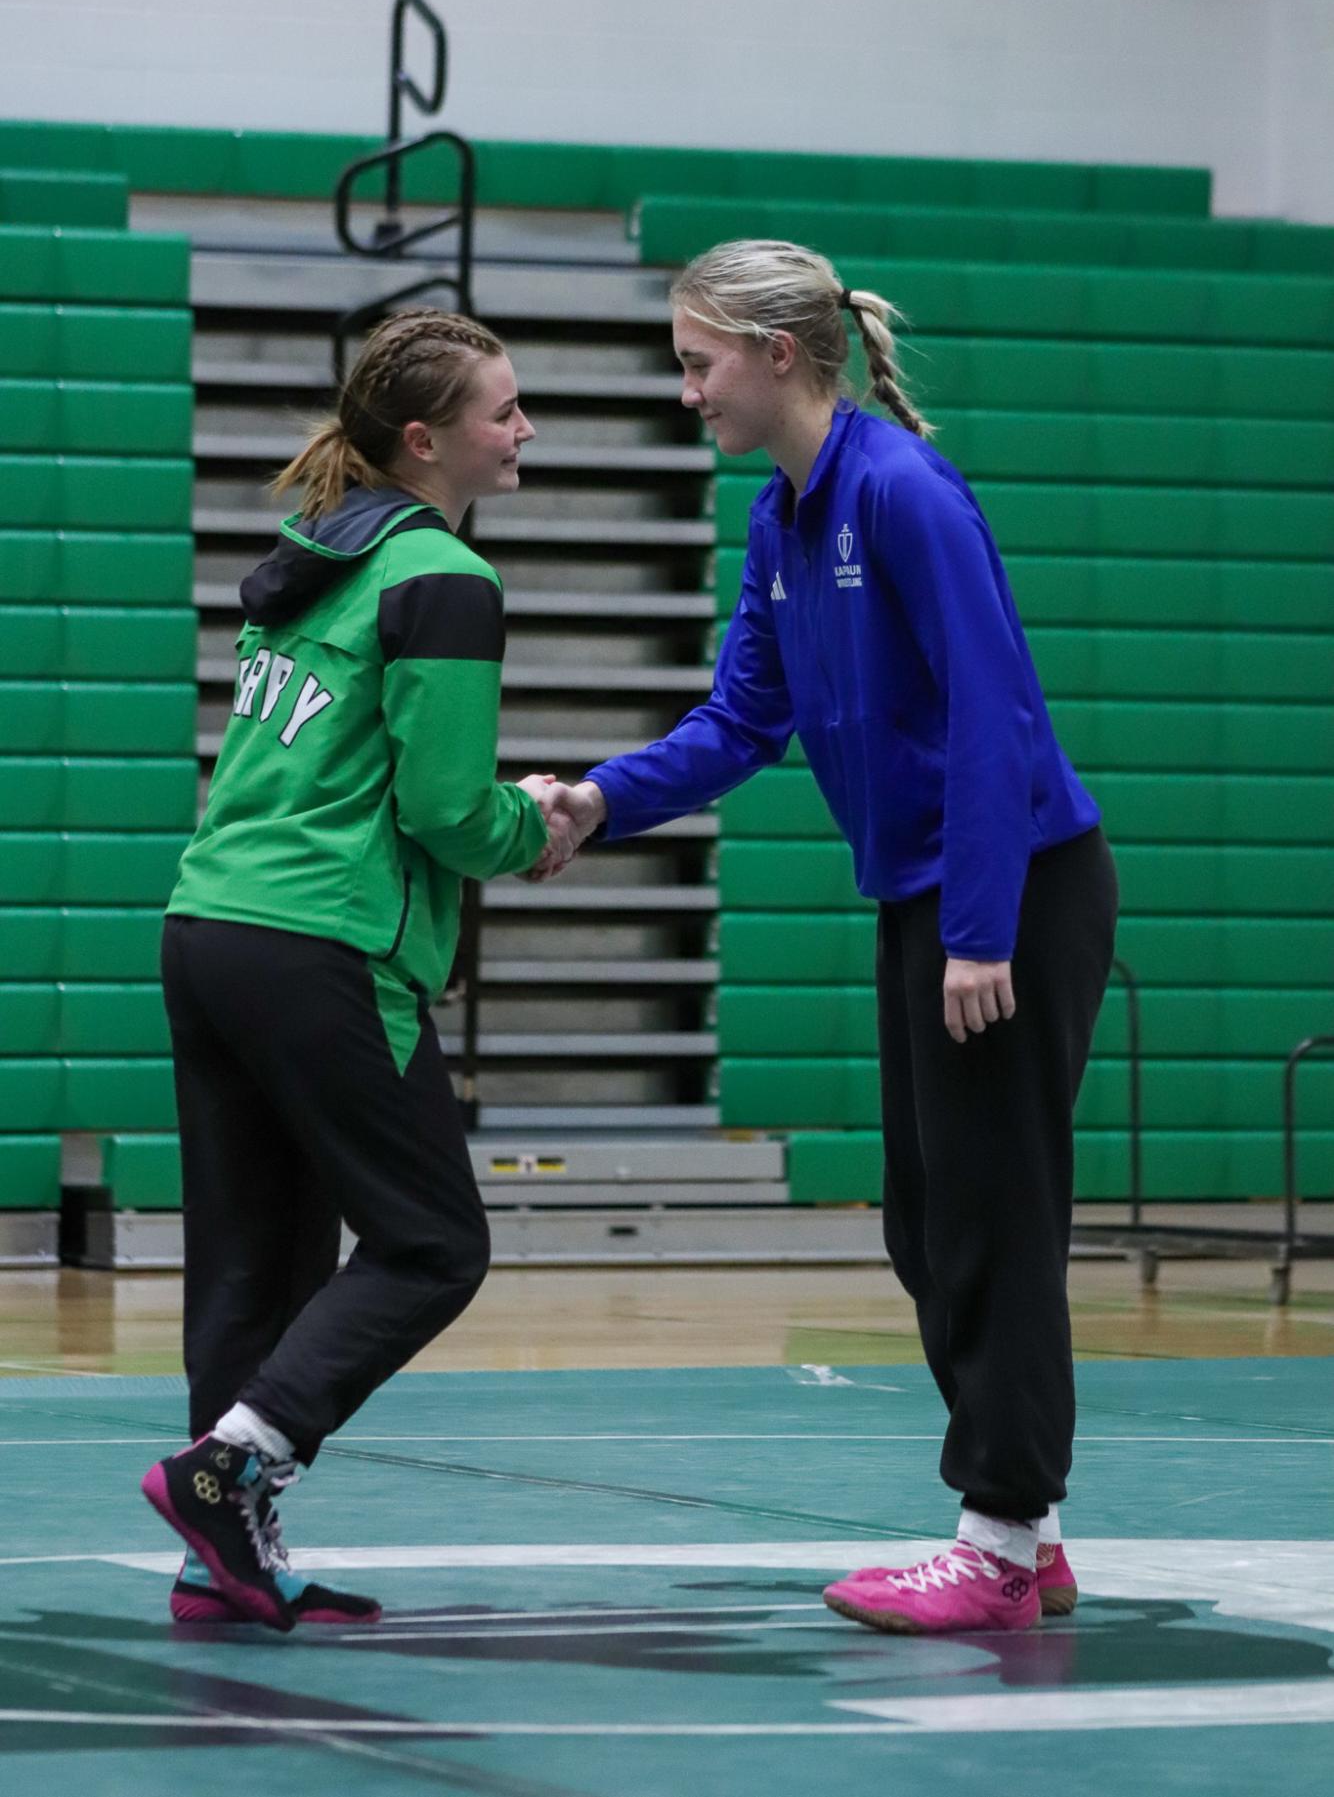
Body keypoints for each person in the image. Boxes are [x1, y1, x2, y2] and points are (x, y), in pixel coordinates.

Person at [536, 240, 1119, 1636]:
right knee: (930, 1222)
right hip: (928, 900)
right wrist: (599, 800)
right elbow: (742, 719)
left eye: (695, 363)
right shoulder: (778, 520)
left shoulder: (904, 492)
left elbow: (997, 711)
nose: (686, 394)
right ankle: (1022, 1531)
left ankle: (991, 1542)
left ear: (776, 355)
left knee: (989, 1217)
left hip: (1008, 895)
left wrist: (976, 929)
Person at [143, 309, 574, 1631]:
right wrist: (536, 824)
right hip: (321, 945)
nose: (526, 429)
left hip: (209, 927)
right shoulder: (443, 575)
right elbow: (446, 807)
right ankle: (233, 1466)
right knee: (433, 1238)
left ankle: (217, 1557)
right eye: (504, 410)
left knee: (253, 1261)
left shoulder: (318, 551)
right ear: (426, 437)